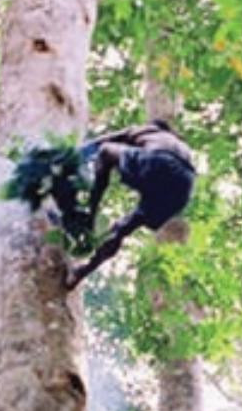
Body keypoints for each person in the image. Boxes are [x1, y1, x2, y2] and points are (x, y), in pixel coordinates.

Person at [64, 119, 196, 289]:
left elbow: (100, 143)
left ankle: (89, 218)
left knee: (105, 151)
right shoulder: (179, 146)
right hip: (183, 188)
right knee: (122, 229)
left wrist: (72, 155)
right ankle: (80, 273)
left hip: (159, 163)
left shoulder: (149, 130)